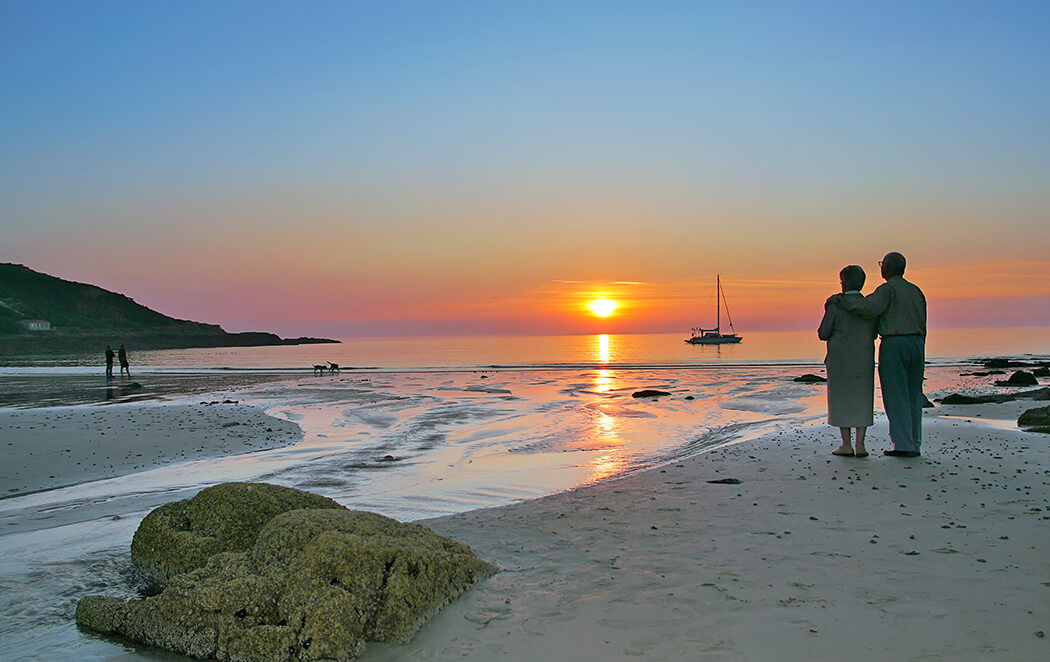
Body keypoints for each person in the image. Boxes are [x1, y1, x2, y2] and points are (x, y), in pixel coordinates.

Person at [828, 252, 927, 457]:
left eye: (882, 265)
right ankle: (914, 443)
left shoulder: (888, 289)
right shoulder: (916, 291)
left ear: (887, 268)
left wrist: (839, 300)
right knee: (913, 396)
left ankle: (903, 445)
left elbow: (867, 308)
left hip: (894, 342)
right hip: (917, 343)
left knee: (896, 395)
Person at [818, 265, 877, 457]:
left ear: (843, 283)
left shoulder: (836, 305)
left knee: (841, 398)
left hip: (840, 357)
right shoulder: (868, 306)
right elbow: (874, 332)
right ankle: (860, 444)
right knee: (863, 397)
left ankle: (846, 444)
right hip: (864, 356)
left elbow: (823, 332)